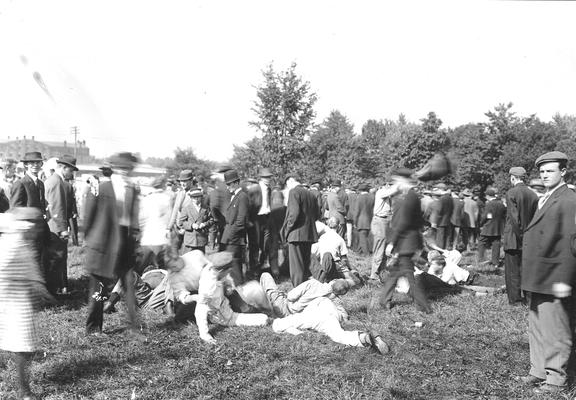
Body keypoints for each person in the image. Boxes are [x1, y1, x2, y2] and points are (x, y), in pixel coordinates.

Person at [519, 151, 576, 394]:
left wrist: (567, 279)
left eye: (550, 170)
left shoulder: (569, 199)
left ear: (563, 172)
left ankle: (556, 379)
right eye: (542, 171)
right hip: (538, 274)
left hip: (556, 276)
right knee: (538, 325)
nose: (544, 175)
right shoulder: (546, 197)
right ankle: (539, 370)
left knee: (556, 328)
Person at [260, 273, 389, 354]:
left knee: (266, 278)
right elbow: (344, 317)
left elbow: (291, 296)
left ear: (333, 280)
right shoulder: (336, 301)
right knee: (340, 335)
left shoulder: (313, 284)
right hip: (328, 315)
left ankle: (261, 293)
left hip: (290, 309)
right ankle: (366, 338)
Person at [83, 152, 141, 335]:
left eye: (128, 169)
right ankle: (93, 329)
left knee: (129, 285)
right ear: (114, 169)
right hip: (103, 242)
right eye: (122, 168)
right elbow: (89, 217)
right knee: (99, 289)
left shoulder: (132, 189)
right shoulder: (101, 188)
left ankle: (135, 327)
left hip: (124, 243)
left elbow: (133, 219)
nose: (125, 172)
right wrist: (92, 240)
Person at [0, 208, 50, 400]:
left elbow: (30, 267)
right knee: (22, 346)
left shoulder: (21, 240)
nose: (37, 230)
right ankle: (25, 392)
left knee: (23, 345)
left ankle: (24, 390)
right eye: (36, 225)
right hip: (12, 300)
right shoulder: (13, 242)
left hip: (19, 300)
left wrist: (39, 287)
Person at [172, 251, 269, 344]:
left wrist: (228, 284)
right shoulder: (209, 287)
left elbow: (225, 277)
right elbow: (200, 310)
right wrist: (204, 334)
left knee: (255, 288)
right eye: (229, 269)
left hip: (226, 302)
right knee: (263, 319)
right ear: (222, 270)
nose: (230, 271)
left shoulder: (213, 269)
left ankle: (265, 307)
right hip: (225, 317)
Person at [374, 168, 432, 314]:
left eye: (397, 180)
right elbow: (417, 220)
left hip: (405, 242)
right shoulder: (413, 196)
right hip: (410, 241)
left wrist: (392, 242)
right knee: (396, 272)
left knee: (409, 275)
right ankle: (384, 301)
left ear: (403, 180)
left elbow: (402, 222)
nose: (396, 183)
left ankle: (423, 306)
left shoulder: (407, 197)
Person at [502, 167, 538, 305]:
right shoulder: (533, 194)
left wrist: (520, 236)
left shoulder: (512, 192)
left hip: (514, 238)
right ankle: (529, 298)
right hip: (529, 238)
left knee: (512, 271)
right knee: (527, 269)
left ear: (513, 177)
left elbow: (514, 219)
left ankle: (516, 300)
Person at [44, 154, 78, 295]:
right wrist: (63, 229)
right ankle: (53, 291)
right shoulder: (57, 182)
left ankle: (57, 288)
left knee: (56, 259)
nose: (72, 173)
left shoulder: (56, 181)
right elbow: (56, 208)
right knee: (55, 260)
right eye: (71, 170)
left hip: (53, 227)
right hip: (55, 228)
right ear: (64, 168)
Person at [281, 175, 319, 287]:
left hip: (296, 235)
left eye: (287, 184)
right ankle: (305, 291)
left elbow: (293, 214)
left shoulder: (294, 192)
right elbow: (317, 214)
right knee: (305, 265)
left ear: (290, 181)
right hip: (309, 235)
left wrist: (287, 230)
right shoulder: (311, 194)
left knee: (296, 268)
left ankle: (297, 292)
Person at [310, 219, 361, 285]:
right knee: (357, 281)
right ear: (339, 226)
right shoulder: (340, 239)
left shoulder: (321, 238)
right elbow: (344, 259)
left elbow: (315, 253)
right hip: (336, 265)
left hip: (323, 265)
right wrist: (350, 269)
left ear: (328, 225)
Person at [137, 176, 172, 272]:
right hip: (163, 238)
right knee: (163, 269)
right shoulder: (167, 199)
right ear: (163, 185)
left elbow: (141, 219)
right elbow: (170, 219)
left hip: (148, 238)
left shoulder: (146, 199)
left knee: (146, 268)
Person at [220, 169, 249, 284]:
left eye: (229, 184)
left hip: (235, 239)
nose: (227, 187)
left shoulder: (242, 197)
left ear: (236, 183)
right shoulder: (235, 196)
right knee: (231, 266)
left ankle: (240, 288)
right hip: (231, 238)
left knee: (235, 266)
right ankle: (236, 287)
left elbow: (241, 221)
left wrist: (230, 235)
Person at [369, 181, 397, 281]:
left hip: (387, 220)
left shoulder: (390, 195)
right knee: (379, 249)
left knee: (386, 249)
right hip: (380, 220)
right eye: (392, 185)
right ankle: (374, 274)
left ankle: (382, 271)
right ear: (387, 184)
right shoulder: (381, 192)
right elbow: (392, 191)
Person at [476, 188, 506, 267]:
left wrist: (480, 224)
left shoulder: (489, 204)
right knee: (496, 243)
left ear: (488, 195)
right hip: (498, 227)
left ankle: (482, 259)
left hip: (488, 226)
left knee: (481, 242)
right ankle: (495, 262)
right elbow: (504, 215)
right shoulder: (501, 203)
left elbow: (485, 216)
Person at [167, 170, 195, 252]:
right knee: (173, 252)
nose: (182, 183)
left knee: (186, 255)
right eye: (181, 181)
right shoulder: (180, 193)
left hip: (189, 230)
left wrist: (185, 228)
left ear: (191, 181)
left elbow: (196, 214)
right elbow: (175, 211)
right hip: (177, 229)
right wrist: (169, 227)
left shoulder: (196, 194)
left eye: (185, 181)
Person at [179, 188, 213, 254]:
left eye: (198, 197)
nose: (196, 199)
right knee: (188, 260)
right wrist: (191, 225)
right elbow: (181, 222)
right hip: (190, 240)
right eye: (194, 197)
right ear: (191, 198)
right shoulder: (186, 208)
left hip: (201, 239)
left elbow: (211, 220)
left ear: (201, 197)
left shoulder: (206, 208)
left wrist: (205, 224)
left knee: (200, 259)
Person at [354, 183, 374, 255]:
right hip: (369, 219)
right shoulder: (372, 197)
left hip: (361, 221)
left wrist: (355, 222)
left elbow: (357, 211)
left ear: (360, 190)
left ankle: (366, 254)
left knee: (363, 239)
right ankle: (358, 252)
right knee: (364, 237)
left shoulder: (359, 198)